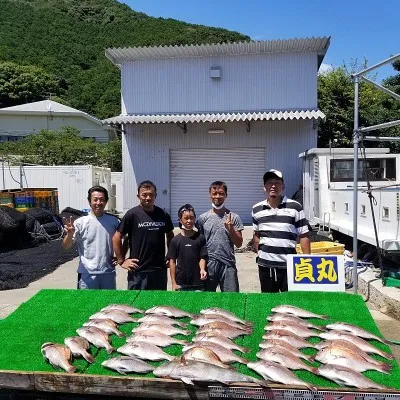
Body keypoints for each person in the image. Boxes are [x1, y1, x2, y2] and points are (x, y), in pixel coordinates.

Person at [252, 169, 311, 293]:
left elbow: (304, 235)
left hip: (289, 265)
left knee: (290, 304)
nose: (273, 186)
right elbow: (257, 235)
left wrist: (307, 262)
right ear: (264, 187)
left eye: (277, 182)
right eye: (269, 183)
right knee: (269, 304)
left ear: (283, 186)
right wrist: (262, 254)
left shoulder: (295, 207)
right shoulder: (256, 209)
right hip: (265, 266)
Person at [112, 180, 174, 290]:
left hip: (159, 270)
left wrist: (170, 255)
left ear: (155, 196)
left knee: (158, 304)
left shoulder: (162, 214)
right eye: (144, 195)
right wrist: (121, 260)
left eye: (151, 194)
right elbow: (117, 237)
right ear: (138, 196)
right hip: (138, 271)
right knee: (136, 305)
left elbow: (170, 235)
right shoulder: (132, 214)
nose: (148, 198)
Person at [62, 186, 120, 290]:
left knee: (109, 305)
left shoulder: (114, 222)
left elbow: (125, 239)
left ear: (106, 201)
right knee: (86, 305)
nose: (98, 203)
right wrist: (70, 234)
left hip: (108, 273)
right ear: (89, 201)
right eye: (95, 199)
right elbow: (66, 246)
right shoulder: (80, 222)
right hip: (86, 274)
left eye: (102, 199)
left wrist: (121, 256)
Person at [197, 181, 243, 292]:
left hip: (228, 264)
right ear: (210, 195)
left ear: (226, 195)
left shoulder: (234, 217)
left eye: (221, 193)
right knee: (207, 300)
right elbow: (199, 244)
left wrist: (230, 228)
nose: (218, 196)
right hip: (209, 264)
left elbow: (239, 243)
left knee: (232, 300)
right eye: (215, 193)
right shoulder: (202, 218)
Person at [167, 204, 208, 291]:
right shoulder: (175, 240)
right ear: (180, 220)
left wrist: (202, 269)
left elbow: (202, 257)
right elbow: (172, 262)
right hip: (181, 283)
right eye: (186, 218)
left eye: (192, 218)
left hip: (198, 282)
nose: (189, 221)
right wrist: (174, 283)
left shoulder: (200, 238)